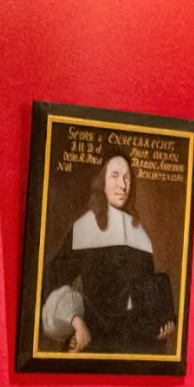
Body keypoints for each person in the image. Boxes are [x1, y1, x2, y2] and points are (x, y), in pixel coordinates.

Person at [37, 147, 173, 354]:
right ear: (102, 182)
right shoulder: (84, 228)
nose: (123, 185)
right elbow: (49, 283)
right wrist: (75, 322)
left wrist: (162, 323)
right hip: (97, 339)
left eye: (127, 178)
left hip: (138, 345)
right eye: (115, 176)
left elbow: (149, 296)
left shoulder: (141, 233)